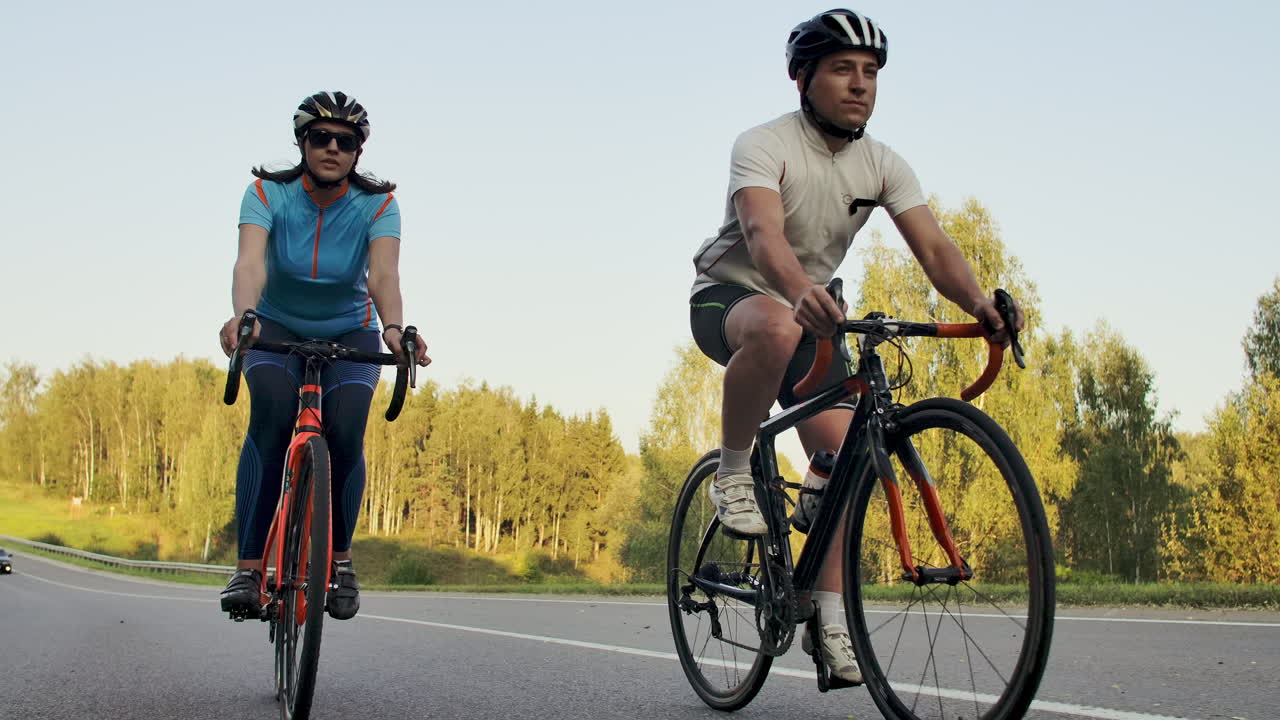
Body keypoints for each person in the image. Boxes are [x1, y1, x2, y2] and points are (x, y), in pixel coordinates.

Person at [689, 10, 1023, 684]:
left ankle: (832, 624)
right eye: (843, 69)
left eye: (870, 73)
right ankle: (732, 472)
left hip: (814, 318)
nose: (860, 85)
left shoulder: (883, 163)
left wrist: (981, 305)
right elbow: (760, 232)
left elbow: (934, 249)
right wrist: (795, 290)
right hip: (731, 299)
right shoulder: (763, 143)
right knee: (781, 324)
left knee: (847, 463)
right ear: (803, 78)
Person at [218, 91, 430, 621]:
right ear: (302, 143)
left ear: (359, 151)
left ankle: (339, 561)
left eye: (346, 141)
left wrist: (395, 329)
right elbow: (250, 265)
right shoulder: (267, 193)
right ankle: (248, 567)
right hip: (275, 326)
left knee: (346, 428)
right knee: (268, 415)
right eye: (321, 138)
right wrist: (244, 316)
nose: (333, 148)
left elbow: (383, 275)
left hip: (350, 332)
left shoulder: (379, 204)